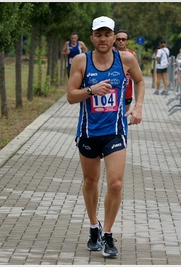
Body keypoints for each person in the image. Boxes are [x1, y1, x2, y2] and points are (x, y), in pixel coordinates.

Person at [66, 16, 145, 258]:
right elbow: (70, 95)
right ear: (91, 37)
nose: (103, 39)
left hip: (116, 131)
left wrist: (138, 106)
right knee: (90, 182)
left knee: (116, 183)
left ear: (114, 38)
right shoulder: (81, 61)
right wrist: (91, 90)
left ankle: (108, 234)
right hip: (89, 132)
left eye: (107, 34)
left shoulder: (126, 59)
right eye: (98, 34)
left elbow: (140, 81)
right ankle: (93, 227)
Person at [114, 29, 138, 111]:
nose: (121, 41)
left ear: (127, 41)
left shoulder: (132, 54)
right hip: (112, 89)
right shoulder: (110, 53)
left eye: (123, 39)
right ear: (115, 40)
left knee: (124, 114)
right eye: (118, 39)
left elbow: (137, 76)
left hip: (127, 89)